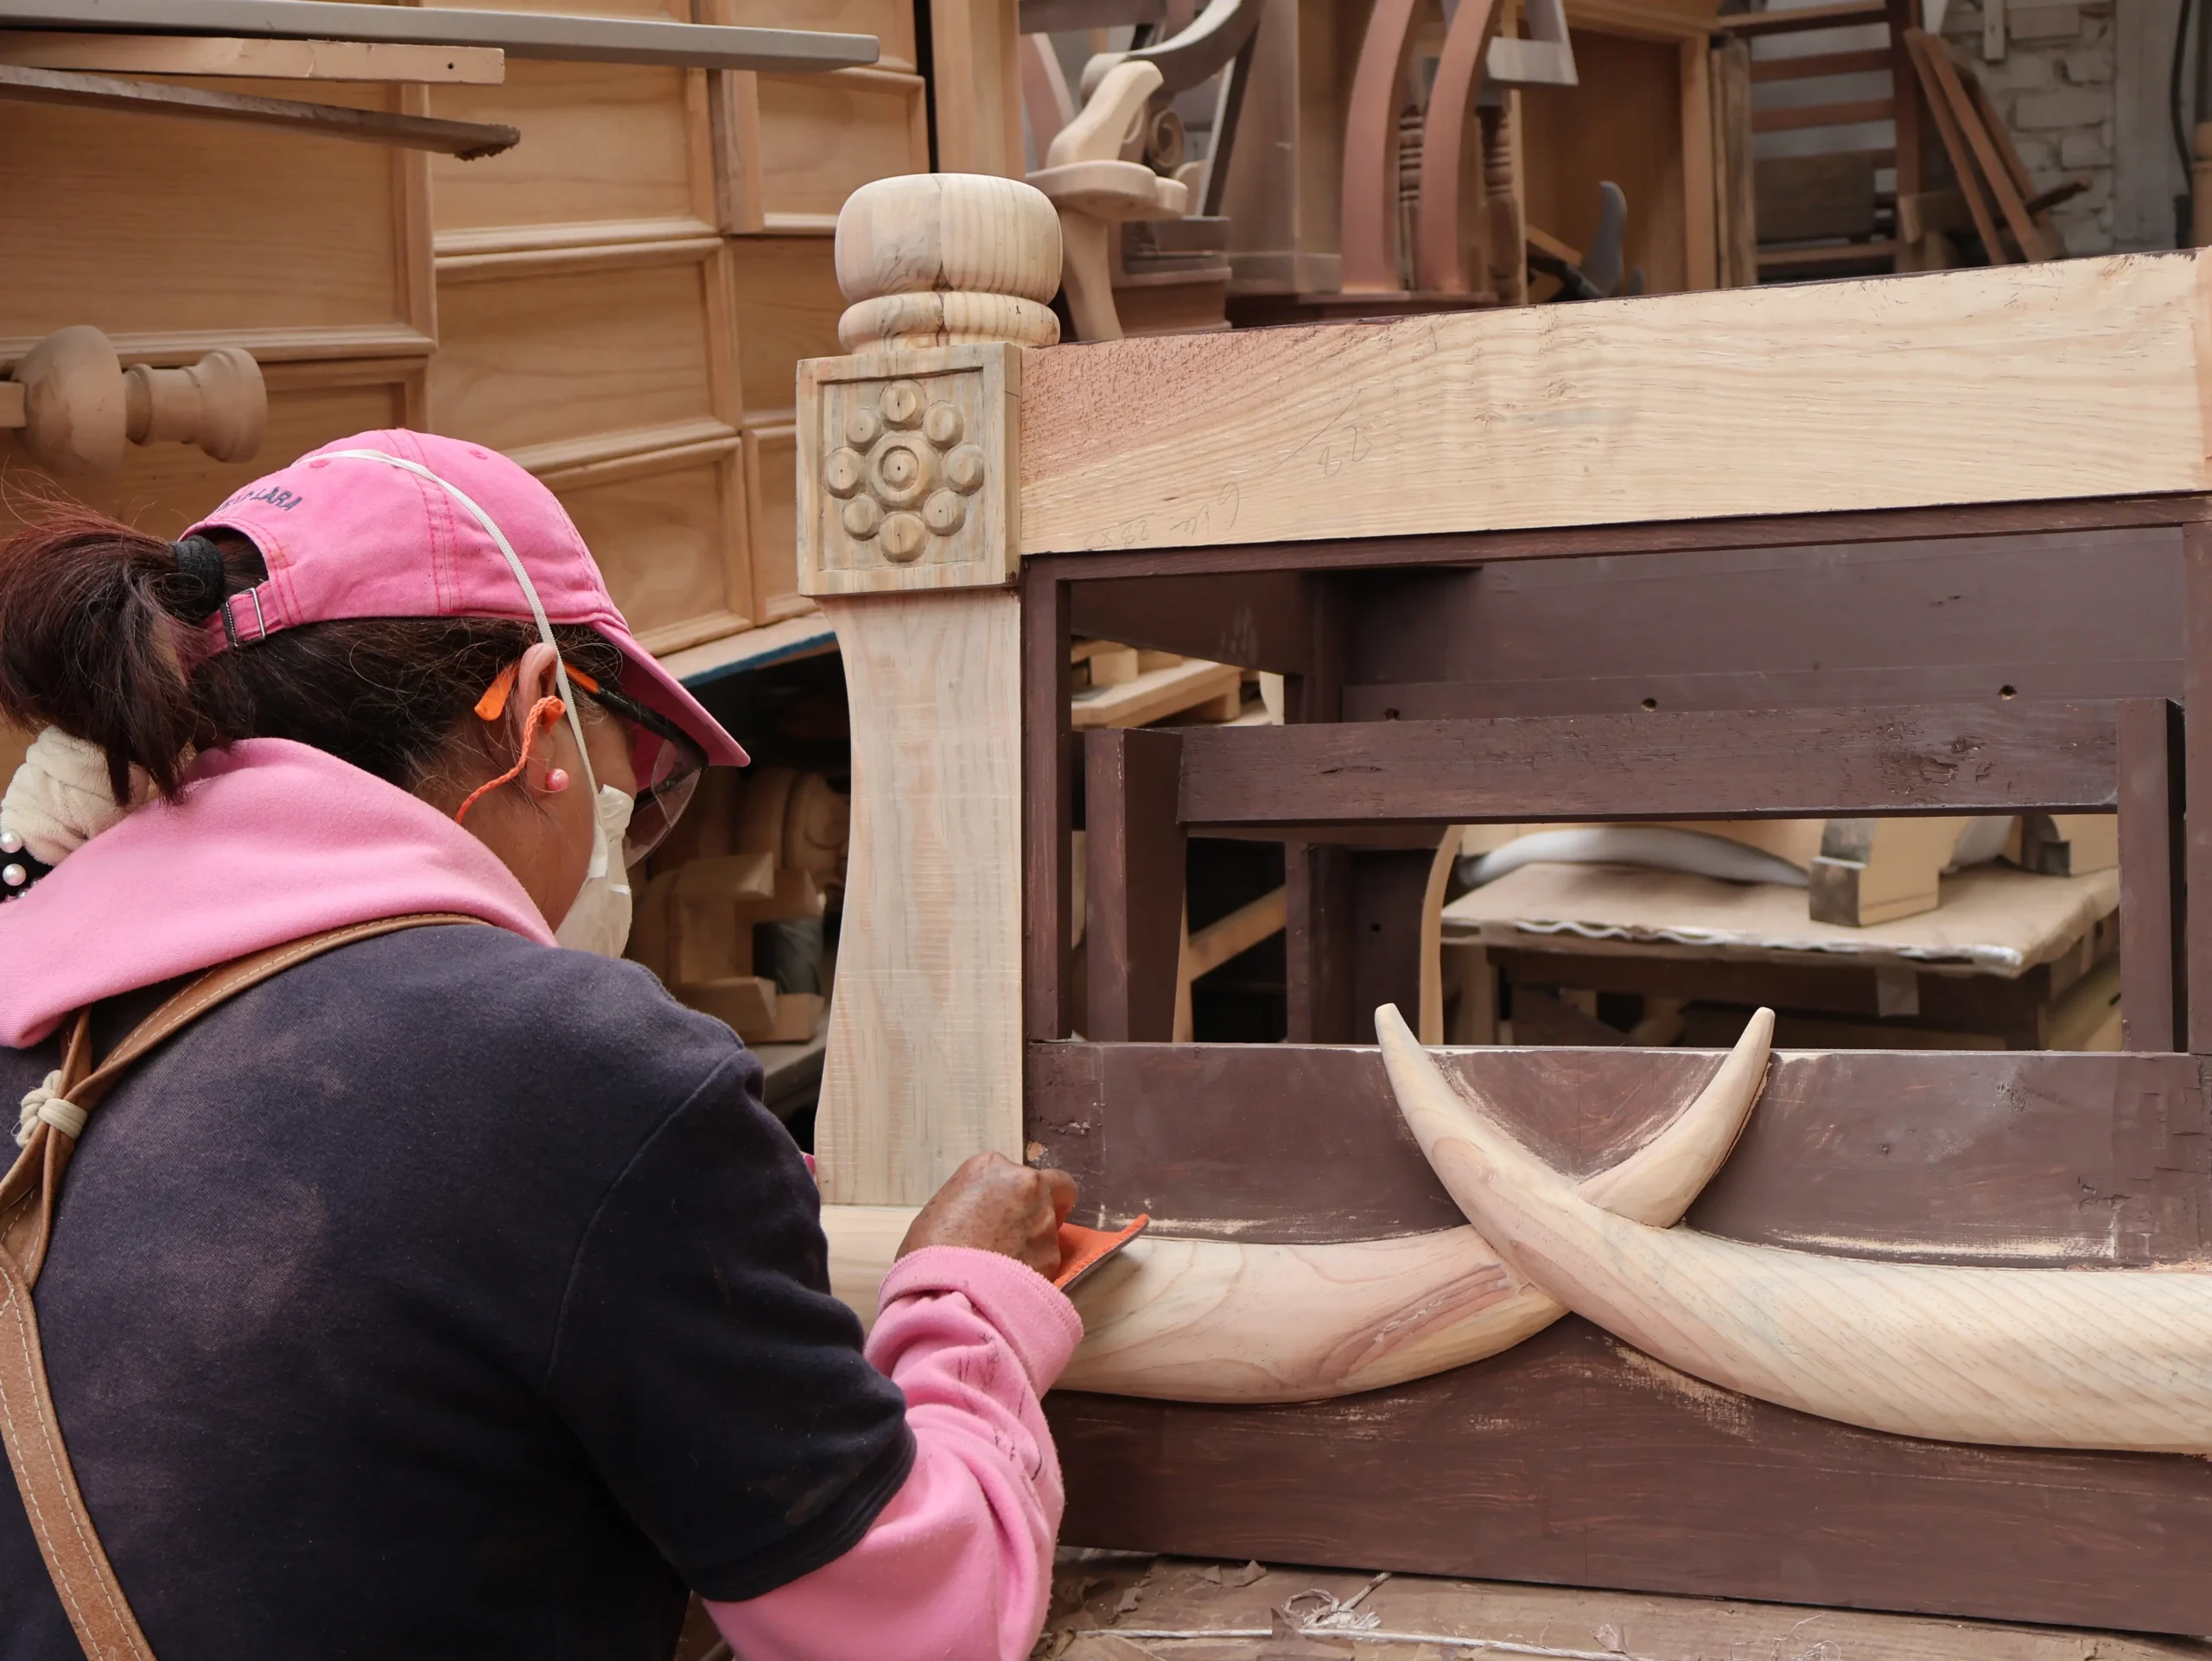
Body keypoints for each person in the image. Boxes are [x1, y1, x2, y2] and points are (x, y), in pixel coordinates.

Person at [0, 431, 1082, 1660]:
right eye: (646, 774)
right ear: (534, 718)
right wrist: (965, 1301)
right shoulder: (575, 1073)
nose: (631, 826)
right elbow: (916, 1625)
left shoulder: (37, 1011)